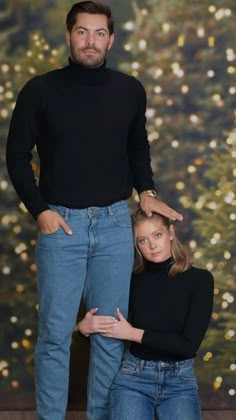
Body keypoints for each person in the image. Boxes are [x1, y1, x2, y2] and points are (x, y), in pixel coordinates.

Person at [6, 2, 183, 419]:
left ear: (111, 39)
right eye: (82, 32)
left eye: (99, 33)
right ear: (68, 36)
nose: (90, 41)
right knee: (53, 336)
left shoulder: (129, 90)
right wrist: (40, 211)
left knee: (109, 335)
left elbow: (137, 147)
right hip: (61, 226)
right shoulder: (39, 90)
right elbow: (16, 155)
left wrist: (146, 191)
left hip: (114, 225)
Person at [78, 209, 214, 420]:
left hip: (179, 381)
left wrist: (133, 334)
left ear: (170, 232)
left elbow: (187, 346)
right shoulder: (131, 280)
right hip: (134, 378)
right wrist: (83, 329)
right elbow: (107, 328)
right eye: (142, 240)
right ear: (135, 244)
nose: (152, 245)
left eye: (157, 235)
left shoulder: (200, 280)